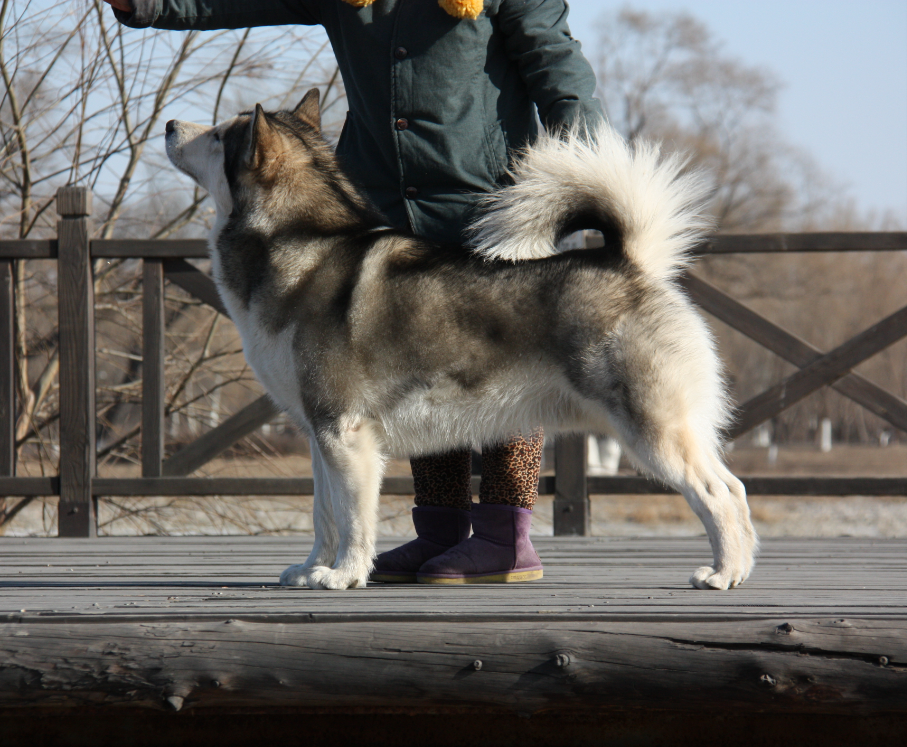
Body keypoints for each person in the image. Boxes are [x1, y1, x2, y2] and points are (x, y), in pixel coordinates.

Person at [106, 0, 604, 584]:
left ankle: (505, 539)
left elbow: (556, 63)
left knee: (509, 367)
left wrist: (587, 175)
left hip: (492, 205)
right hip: (379, 209)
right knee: (409, 370)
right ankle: (440, 534)